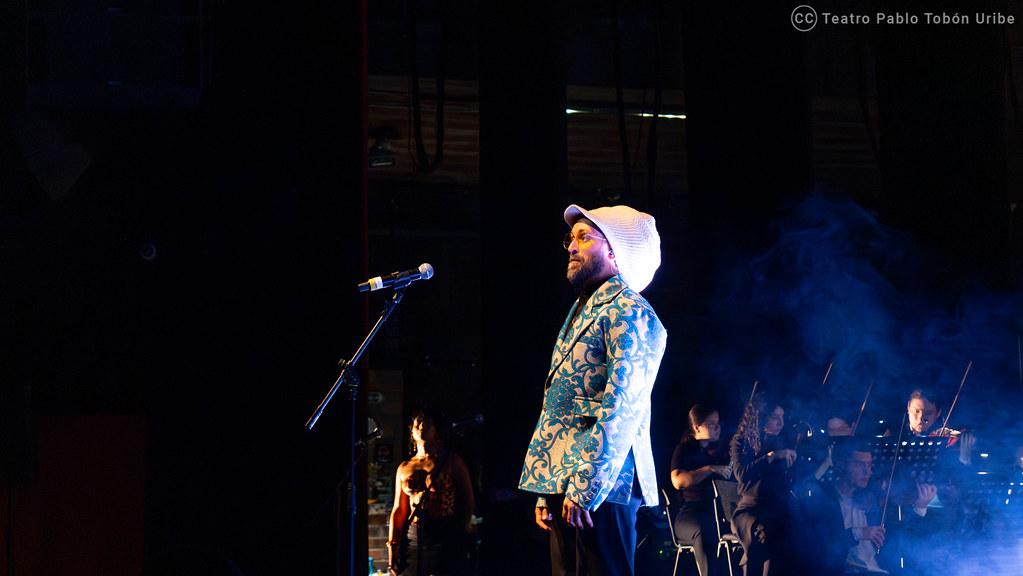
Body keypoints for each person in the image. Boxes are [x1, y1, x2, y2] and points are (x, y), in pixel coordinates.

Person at [518, 204, 667, 576]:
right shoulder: (585, 308)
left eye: (583, 237)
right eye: (570, 238)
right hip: (566, 480)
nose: (571, 246)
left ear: (615, 250)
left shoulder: (629, 310)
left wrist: (587, 484)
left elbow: (622, 407)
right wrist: (548, 487)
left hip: (604, 484)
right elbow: (562, 406)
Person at [797, 439, 936, 575]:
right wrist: (858, 533)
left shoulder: (873, 500)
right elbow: (823, 545)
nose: (866, 471)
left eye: (869, 465)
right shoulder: (826, 501)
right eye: (859, 465)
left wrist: (920, 507)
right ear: (842, 466)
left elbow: (900, 539)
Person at [388, 408, 474, 576]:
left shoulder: (452, 462)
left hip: (444, 536)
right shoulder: (404, 467)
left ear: (437, 430)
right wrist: (393, 545)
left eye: (427, 422)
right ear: (412, 432)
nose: (421, 425)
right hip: (414, 539)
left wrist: (458, 533)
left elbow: (468, 501)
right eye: (418, 422)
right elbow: (398, 509)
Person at [729, 393, 797, 576]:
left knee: (798, 531)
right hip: (750, 510)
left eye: (782, 417)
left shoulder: (781, 443)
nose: (781, 423)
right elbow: (741, 474)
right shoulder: (741, 441)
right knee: (766, 532)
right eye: (775, 417)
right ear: (760, 417)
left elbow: (788, 483)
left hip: (775, 509)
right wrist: (771, 456)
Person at [670, 404, 733, 576]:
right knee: (704, 527)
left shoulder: (714, 452)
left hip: (715, 514)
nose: (718, 427)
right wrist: (709, 468)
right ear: (696, 427)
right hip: (689, 515)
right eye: (712, 424)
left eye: (718, 423)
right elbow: (678, 481)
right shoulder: (684, 449)